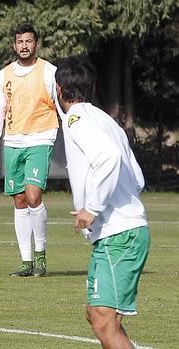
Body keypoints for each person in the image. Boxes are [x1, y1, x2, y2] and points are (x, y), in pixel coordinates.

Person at [55, 56, 150, 348]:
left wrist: (92, 208)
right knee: (98, 316)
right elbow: (137, 179)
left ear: (58, 90)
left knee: (102, 319)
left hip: (118, 236)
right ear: (93, 86)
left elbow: (108, 157)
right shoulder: (105, 120)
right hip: (125, 232)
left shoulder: (77, 119)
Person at [0, 23, 58, 277]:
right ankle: (26, 262)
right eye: (20, 42)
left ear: (36, 44)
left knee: (33, 195)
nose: (24, 46)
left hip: (41, 138)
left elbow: (60, 106)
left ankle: (41, 256)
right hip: (13, 141)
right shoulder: (3, 75)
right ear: (14, 45)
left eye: (29, 41)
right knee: (19, 200)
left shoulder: (49, 72)